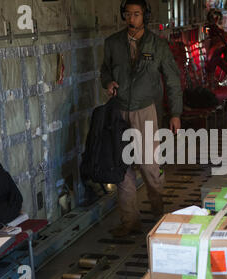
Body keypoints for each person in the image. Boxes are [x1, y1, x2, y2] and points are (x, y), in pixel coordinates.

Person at [100, 0, 183, 237]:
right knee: (122, 167)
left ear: (144, 16)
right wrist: (108, 82)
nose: (131, 19)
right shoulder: (113, 44)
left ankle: (159, 214)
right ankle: (130, 222)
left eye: (136, 14)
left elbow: (172, 80)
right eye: (127, 14)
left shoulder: (157, 45)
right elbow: (104, 69)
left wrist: (175, 113)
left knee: (149, 165)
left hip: (145, 111)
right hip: (119, 111)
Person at [205, 9, 227, 89]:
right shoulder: (217, 32)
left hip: (215, 52)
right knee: (215, 65)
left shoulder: (217, 32)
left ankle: (212, 83)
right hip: (214, 52)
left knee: (214, 65)